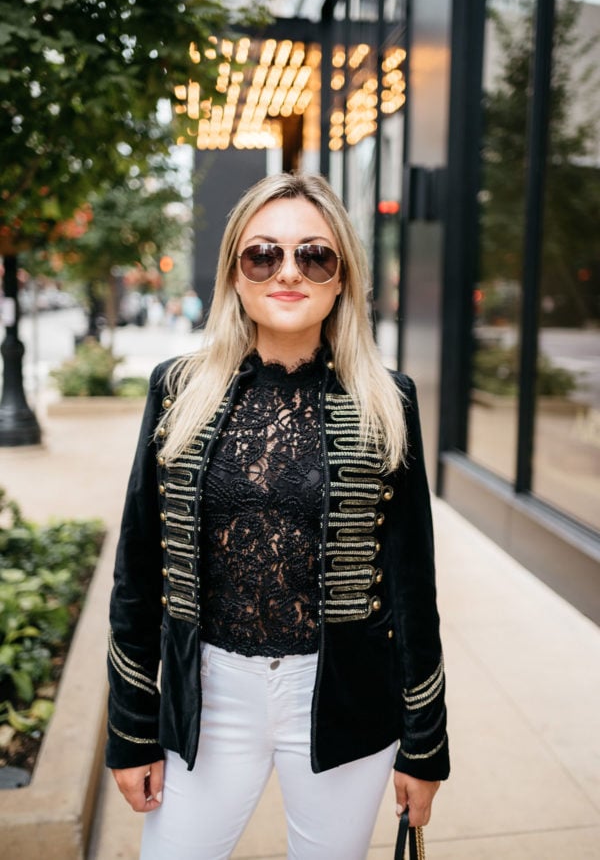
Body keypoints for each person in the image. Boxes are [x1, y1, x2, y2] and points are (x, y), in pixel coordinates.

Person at [106, 172, 449, 860]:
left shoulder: (388, 400)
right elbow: (138, 570)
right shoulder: (178, 390)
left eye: (313, 255)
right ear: (236, 272)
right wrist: (131, 728)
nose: (288, 271)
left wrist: (426, 747)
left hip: (344, 702)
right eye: (264, 254)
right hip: (209, 695)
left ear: (342, 276)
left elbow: (412, 587)